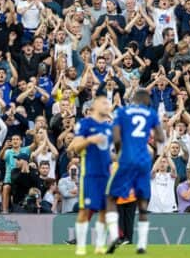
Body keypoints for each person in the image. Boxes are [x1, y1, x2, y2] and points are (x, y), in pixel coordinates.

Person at [105, 89, 164, 254]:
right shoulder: (151, 113)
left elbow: (116, 136)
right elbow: (160, 138)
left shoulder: (122, 112)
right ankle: (142, 245)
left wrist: (119, 151)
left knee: (111, 198)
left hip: (126, 160)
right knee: (142, 202)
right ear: (146, 102)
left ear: (134, 100)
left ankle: (115, 235)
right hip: (144, 160)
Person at [68, 95, 113, 256]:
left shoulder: (108, 128)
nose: (107, 106)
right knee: (85, 210)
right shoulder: (85, 124)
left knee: (104, 210)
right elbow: (77, 148)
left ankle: (100, 246)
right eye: (104, 103)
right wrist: (90, 140)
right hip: (90, 174)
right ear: (94, 106)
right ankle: (80, 246)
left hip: (105, 175)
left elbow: (108, 152)